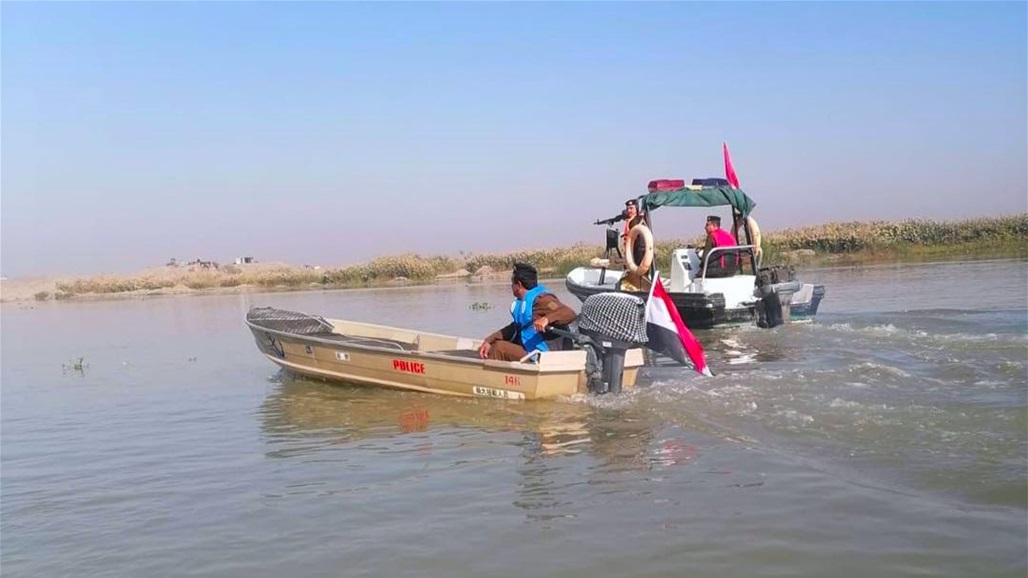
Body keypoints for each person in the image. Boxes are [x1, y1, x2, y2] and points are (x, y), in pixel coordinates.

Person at [478, 262, 577, 362]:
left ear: (519, 285)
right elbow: (514, 328)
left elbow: (569, 313)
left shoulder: (542, 300)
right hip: (532, 352)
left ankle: (487, 376)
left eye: (512, 283)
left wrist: (546, 319)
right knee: (495, 344)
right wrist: (489, 340)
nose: (511, 286)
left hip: (547, 356)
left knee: (499, 348)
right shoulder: (523, 303)